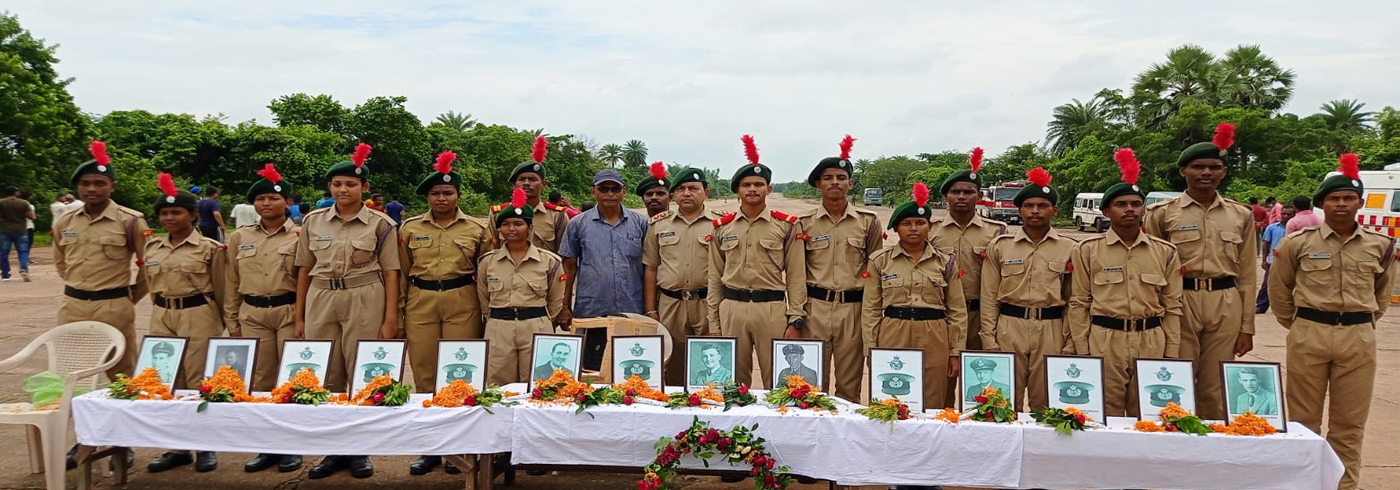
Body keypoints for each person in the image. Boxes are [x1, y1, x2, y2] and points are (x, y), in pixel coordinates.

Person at [1269, 154, 1395, 490]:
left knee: (1349, 425)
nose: (1341, 204)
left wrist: (1362, 320)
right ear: (1322, 204)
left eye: (1348, 198)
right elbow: (1279, 289)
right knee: (1302, 421)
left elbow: (1382, 294)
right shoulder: (1298, 243)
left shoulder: (1380, 245)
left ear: (1360, 202)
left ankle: (1343, 486)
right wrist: (1297, 324)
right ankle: (1303, 484)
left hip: (1357, 337)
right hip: (1310, 332)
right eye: (1334, 198)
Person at [294, 143, 400, 480]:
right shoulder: (312, 222)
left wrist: (390, 318)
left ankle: (359, 450)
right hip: (321, 296)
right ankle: (333, 449)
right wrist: (299, 316)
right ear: (329, 187)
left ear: (364, 188)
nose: (343, 190)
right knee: (327, 374)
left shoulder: (381, 224)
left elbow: (391, 272)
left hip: (364, 295)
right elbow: (303, 269)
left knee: (362, 371)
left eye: (351, 184)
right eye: (337, 184)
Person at [1143, 123, 1256, 421]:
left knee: (1215, 385)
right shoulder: (1162, 213)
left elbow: (1246, 273)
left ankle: (1211, 449)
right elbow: (1153, 267)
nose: (1206, 173)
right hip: (1181, 300)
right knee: (1175, 380)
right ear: (1183, 171)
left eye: (1214, 167)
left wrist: (1247, 326)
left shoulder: (1240, 215)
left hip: (1225, 300)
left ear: (1223, 172)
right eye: (1198, 167)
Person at [1069, 149, 1183, 417]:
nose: (1130, 209)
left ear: (1144, 209)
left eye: (1135, 204)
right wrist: (1083, 349)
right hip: (1105, 338)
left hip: (1151, 338)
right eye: (1121, 204)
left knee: (1150, 411)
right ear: (1106, 210)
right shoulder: (1087, 249)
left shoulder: (1165, 251)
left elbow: (1172, 305)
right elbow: (1079, 302)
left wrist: (1171, 350)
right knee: (1106, 409)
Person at [53, 142, 146, 470]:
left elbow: (148, 266)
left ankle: (123, 442)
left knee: (121, 376)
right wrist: (79, 290)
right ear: (77, 187)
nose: (92, 188)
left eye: (99, 183)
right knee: (73, 378)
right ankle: (83, 441)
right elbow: (61, 262)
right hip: (73, 308)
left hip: (114, 306)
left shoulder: (131, 221)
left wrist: (127, 297)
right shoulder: (65, 221)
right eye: (85, 183)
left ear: (112, 186)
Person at [399, 151, 491, 477]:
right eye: (436, 193)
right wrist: (398, 316)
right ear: (428, 196)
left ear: (459, 195)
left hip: (462, 299)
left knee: (460, 372)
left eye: (448, 193)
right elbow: (402, 272)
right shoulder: (410, 229)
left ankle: (458, 447)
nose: (442, 198)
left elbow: (486, 269)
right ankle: (430, 447)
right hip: (421, 299)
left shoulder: (477, 229)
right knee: (424, 374)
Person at [142, 172, 227, 474]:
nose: (169, 217)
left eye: (176, 212)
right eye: (164, 213)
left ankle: (205, 445)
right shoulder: (152, 248)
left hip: (198, 314)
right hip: (163, 314)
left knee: (197, 380)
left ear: (192, 215)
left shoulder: (209, 249)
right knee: (167, 380)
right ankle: (177, 447)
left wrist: (224, 324)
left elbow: (221, 289)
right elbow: (150, 286)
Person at [707, 135, 807, 387]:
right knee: (732, 381)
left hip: (771, 308)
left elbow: (796, 276)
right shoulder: (722, 227)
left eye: (759, 184)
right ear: (737, 191)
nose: (753, 189)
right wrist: (714, 321)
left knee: (777, 379)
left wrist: (795, 318)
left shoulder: (786, 226)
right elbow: (714, 277)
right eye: (746, 184)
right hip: (732, 308)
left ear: (769, 189)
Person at [223, 163, 303, 473]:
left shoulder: (300, 233)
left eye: (272, 198)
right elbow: (231, 279)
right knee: (260, 380)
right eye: (260, 199)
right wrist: (233, 323)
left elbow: (306, 278)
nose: (266, 204)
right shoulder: (240, 236)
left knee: (292, 378)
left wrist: (303, 319)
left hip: (288, 311)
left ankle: (292, 446)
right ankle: (266, 445)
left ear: (287, 203)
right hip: (252, 314)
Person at [861, 182, 967, 410]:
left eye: (920, 223)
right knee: (891, 395)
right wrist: (871, 347)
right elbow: (870, 308)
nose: (913, 228)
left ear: (930, 227)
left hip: (935, 332)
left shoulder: (945, 262)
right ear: (896, 228)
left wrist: (955, 352)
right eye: (906, 223)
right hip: (893, 329)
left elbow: (957, 310)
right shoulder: (880, 261)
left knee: (933, 396)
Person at [980, 167, 1074, 411]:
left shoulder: (1071, 248)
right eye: (1029, 205)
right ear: (1019, 209)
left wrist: (1071, 342)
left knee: (1047, 400)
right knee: (1003, 399)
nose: (1035, 211)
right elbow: (989, 296)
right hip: (1010, 326)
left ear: (1055, 211)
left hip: (1052, 328)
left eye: (1042, 206)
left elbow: (1076, 299)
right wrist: (989, 339)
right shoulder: (1001, 246)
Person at [798, 135, 881, 402]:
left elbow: (875, 269)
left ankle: (846, 441)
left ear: (850, 183)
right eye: (829, 177)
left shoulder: (868, 222)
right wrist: (796, 315)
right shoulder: (803, 223)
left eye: (841, 177)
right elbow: (797, 272)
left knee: (849, 385)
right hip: (815, 309)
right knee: (811, 384)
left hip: (853, 310)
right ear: (818, 184)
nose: (835, 182)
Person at [931, 148, 1007, 407]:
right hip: (942, 317)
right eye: (955, 192)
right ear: (946, 197)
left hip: (979, 315)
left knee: (981, 384)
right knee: (942, 382)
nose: (962, 196)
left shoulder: (997, 231)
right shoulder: (931, 232)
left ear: (980, 196)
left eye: (968, 191)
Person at [479, 188, 566, 386]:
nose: (511, 228)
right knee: (497, 385)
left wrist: (542, 320)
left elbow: (555, 300)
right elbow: (483, 298)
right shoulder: (487, 262)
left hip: (536, 325)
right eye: (506, 224)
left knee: (539, 383)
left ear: (530, 228)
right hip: (499, 326)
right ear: (499, 229)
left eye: (518, 224)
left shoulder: (550, 261)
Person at [643, 168, 714, 386]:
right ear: (673, 195)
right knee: (672, 360)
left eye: (693, 188)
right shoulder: (658, 224)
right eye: (681, 189)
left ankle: (708, 405)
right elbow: (651, 268)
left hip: (708, 303)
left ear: (706, 192)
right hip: (671, 303)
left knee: (710, 359)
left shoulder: (720, 224)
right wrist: (651, 310)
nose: (687, 193)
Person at [560, 169, 648, 326]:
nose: (610, 193)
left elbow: (650, 268)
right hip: (591, 309)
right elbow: (569, 268)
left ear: (624, 192)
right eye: (603, 189)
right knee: (592, 350)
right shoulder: (577, 224)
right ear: (593, 192)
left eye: (615, 189)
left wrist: (651, 309)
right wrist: (565, 306)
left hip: (633, 308)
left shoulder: (640, 223)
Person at [488, 136, 570, 253]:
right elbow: (491, 251)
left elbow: (563, 253)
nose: (526, 183)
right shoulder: (497, 214)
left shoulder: (557, 216)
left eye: (532, 179)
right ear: (514, 184)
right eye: (521, 179)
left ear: (543, 184)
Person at [1256, 204, 1295, 314]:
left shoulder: (1297, 228)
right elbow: (1266, 244)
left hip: (1291, 261)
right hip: (1274, 260)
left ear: (1294, 215)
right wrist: (1264, 260)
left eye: (1289, 214)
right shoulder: (1272, 228)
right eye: (1284, 214)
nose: (1286, 216)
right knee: (1267, 284)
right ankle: (1261, 305)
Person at [0, 185, 33, 282]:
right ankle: (23, 269)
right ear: (15, 192)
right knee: (23, 251)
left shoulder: (1, 202)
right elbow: (31, 216)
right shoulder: (24, 203)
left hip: (5, 230)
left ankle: (5, 274)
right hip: (21, 230)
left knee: (3, 253)